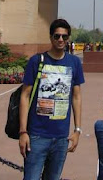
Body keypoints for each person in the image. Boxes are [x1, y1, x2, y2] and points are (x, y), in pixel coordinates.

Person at [19, 18, 85, 180]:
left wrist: (77, 130)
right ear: (50, 37)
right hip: (36, 135)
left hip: (61, 137)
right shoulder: (37, 61)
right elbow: (25, 95)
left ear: (68, 38)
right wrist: (23, 132)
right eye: (57, 36)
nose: (61, 39)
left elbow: (76, 97)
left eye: (64, 36)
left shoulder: (74, 63)